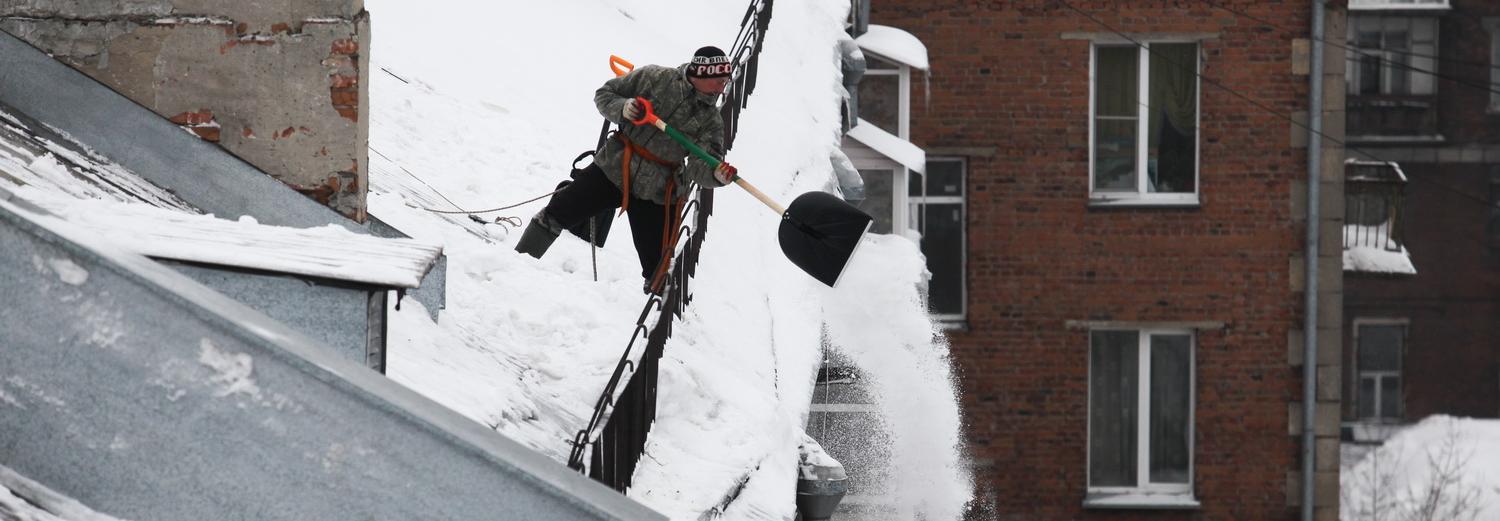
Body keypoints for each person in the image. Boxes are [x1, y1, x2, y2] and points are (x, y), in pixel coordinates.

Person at [515, 46, 739, 292]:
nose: (723, 86)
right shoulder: (655, 78)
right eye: (719, 80)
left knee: (658, 266)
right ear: (701, 75)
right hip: (614, 167)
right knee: (557, 212)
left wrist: (715, 174)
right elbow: (605, 94)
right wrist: (623, 108)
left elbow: (701, 165)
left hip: (657, 191)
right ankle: (515, 264)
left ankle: (655, 318)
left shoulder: (711, 120)